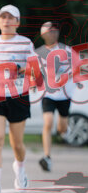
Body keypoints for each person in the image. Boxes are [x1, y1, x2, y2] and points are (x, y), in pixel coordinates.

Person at [0, 5, 37, 193]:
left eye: (10, 17)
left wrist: (21, 69)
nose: (6, 21)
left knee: (17, 145)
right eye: (2, 17)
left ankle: (20, 168)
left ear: (17, 22)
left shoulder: (25, 44)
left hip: (17, 96)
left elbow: (35, 70)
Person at [36, 21, 75, 172]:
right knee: (48, 122)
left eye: (55, 31)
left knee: (62, 127)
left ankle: (64, 130)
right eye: (49, 31)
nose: (52, 34)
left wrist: (65, 76)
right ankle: (47, 156)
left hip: (64, 95)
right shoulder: (38, 52)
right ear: (43, 34)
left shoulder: (67, 51)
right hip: (48, 94)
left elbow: (79, 68)